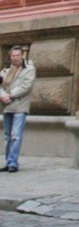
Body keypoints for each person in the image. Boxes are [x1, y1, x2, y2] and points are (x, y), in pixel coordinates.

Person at [0, 45, 36, 173]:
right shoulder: (7, 71)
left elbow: (26, 86)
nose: (15, 58)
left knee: (15, 136)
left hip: (20, 107)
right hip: (7, 106)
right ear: (10, 57)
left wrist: (10, 95)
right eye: (13, 56)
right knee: (7, 136)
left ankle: (13, 163)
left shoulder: (29, 69)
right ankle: (8, 161)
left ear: (22, 56)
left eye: (17, 55)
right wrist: (2, 95)